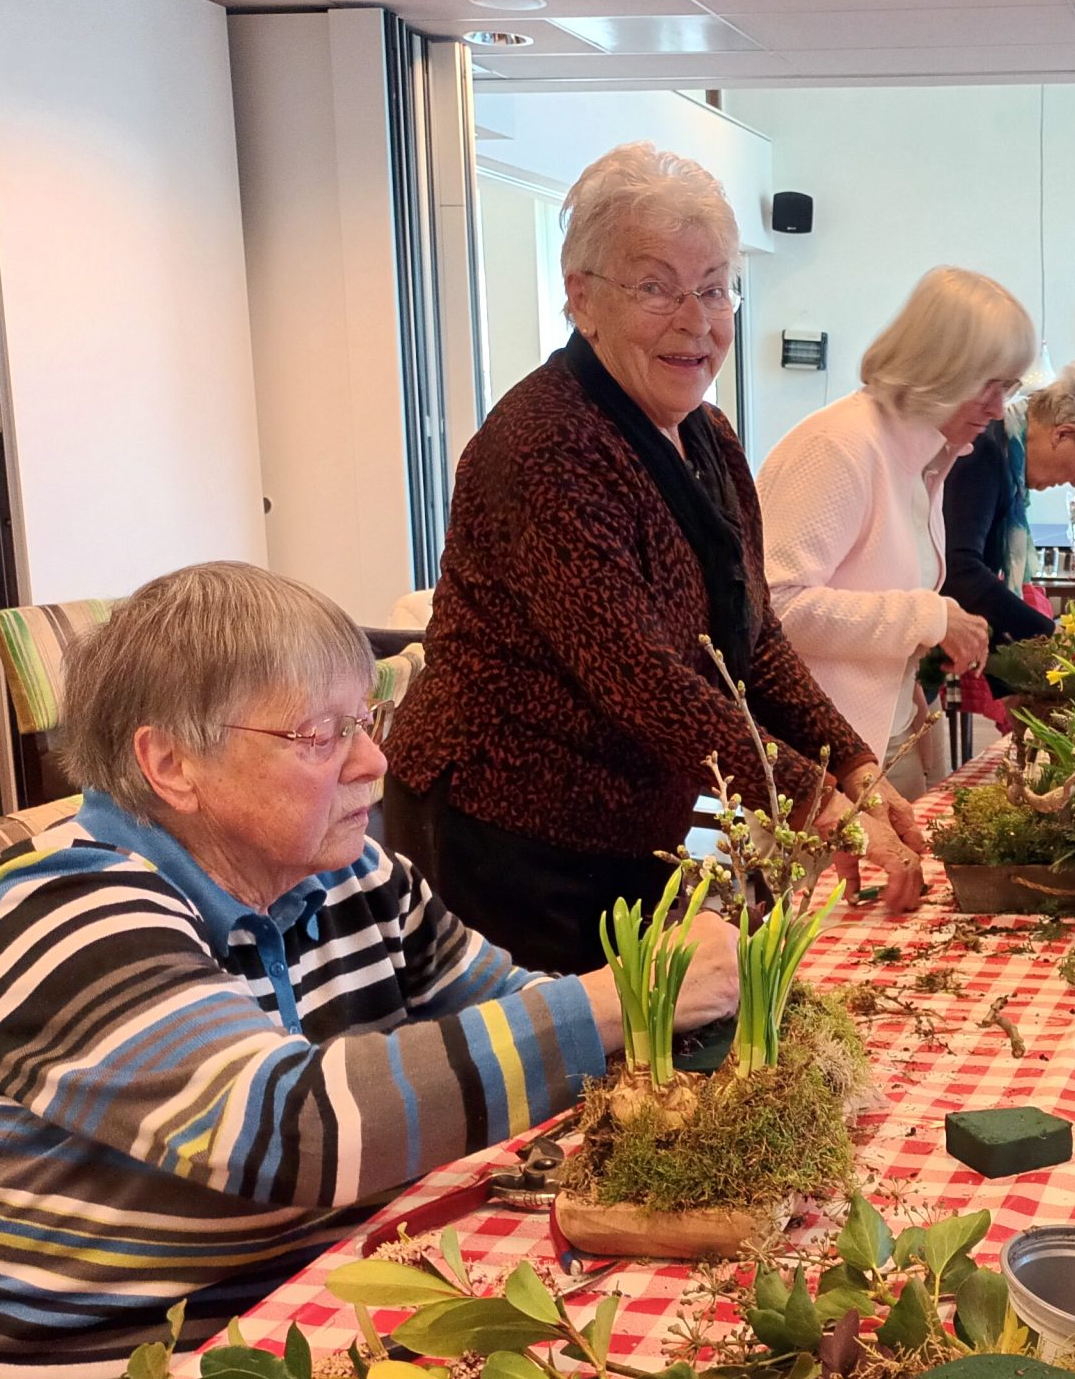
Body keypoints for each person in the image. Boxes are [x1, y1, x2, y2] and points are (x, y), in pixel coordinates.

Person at [0, 563, 741, 1379]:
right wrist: (624, 999)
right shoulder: (58, 913)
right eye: (320, 735)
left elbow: (525, 1025)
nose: (373, 764)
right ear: (170, 765)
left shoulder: (355, 880)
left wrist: (668, 1019)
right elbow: (293, 1132)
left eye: (366, 720)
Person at [386, 142, 922, 965]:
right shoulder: (548, 446)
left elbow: (751, 636)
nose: (695, 320)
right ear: (582, 298)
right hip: (508, 834)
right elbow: (643, 679)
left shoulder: (707, 436)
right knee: (581, 1044)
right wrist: (814, 798)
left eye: (712, 287)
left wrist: (849, 764)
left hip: (631, 828)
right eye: (655, 287)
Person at [758, 268, 1034, 795]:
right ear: (939, 366)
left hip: (880, 737)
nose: (1000, 408)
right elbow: (775, 609)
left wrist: (924, 649)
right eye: (990, 383)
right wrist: (931, 617)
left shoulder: (923, 457)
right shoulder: (839, 446)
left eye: (1011, 387)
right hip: (818, 756)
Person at [942, 359, 1075, 661]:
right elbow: (959, 570)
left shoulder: (1003, 452)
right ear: (1062, 435)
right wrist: (1049, 636)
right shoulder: (984, 453)